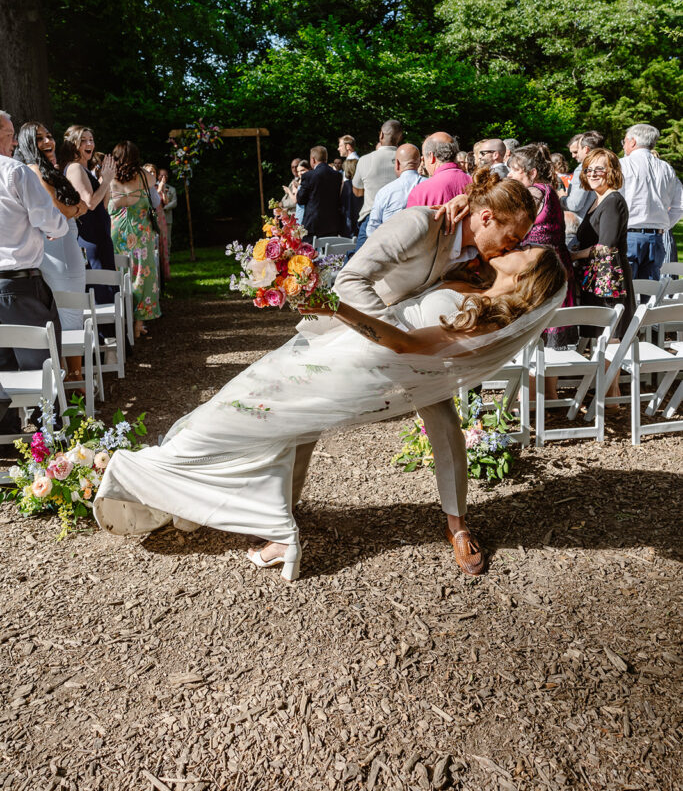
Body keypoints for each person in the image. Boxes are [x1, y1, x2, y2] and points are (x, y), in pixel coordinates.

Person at [94, 236, 565, 580]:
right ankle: (256, 519)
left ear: (526, 277)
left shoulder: (483, 319)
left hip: (353, 367)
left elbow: (403, 343)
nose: (520, 244)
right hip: (337, 353)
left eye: (526, 251)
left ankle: (143, 475)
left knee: (239, 415)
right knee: (251, 417)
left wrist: (336, 307)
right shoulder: (471, 280)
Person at [295, 170, 540, 574]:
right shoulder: (420, 223)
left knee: (444, 421)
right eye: (511, 237)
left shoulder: (477, 254)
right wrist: (395, 339)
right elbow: (351, 280)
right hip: (346, 334)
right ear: (485, 218)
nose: (512, 247)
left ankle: (457, 526)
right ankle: (284, 513)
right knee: (303, 419)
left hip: (411, 351)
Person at [14, 123, 87, 387]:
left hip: (63, 243)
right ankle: (75, 384)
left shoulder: (45, 169)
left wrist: (75, 208)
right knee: (70, 312)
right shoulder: (34, 170)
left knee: (69, 311)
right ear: (27, 144)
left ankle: (72, 381)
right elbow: (59, 211)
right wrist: (77, 208)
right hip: (59, 250)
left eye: (49, 136)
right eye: (39, 138)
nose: (48, 141)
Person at [0, 112, 68, 389]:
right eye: (9, 135)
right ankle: (47, 429)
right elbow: (49, 220)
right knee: (44, 369)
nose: (15, 142)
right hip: (20, 286)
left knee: (2, 375)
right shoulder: (15, 171)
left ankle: (9, 428)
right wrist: (56, 228)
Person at [507, 144, 577, 397]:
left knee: (535, 331)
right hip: (554, 266)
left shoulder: (534, 193)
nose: (510, 176)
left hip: (541, 270)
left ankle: (531, 397)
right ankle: (550, 394)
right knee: (549, 328)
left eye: (515, 171)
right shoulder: (549, 191)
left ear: (532, 172)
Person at [572, 149, 636, 398]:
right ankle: (607, 393)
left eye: (599, 168)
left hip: (608, 280)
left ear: (612, 171)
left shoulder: (613, 201)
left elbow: (607, 246)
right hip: (594, 277)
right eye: (589, 169)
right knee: (601, 335)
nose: (593, 174)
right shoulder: (596, 200)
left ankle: (610, 396)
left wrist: (575, 256)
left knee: (610, 336)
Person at [108, 141, 161, 338]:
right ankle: (138, 323)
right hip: (141, 235)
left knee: (120, 274)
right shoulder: (145, 176)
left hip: (118, 233)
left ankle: (122, 320)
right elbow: (154, 196)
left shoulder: (110, 178)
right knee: (142, 275)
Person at [60, 125, 117, 307]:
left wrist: (105, 180)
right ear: (73, 144)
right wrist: (106, 180)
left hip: (101, 234)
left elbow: (103, 204)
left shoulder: (85, 169)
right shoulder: (75, 168)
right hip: (91, 237)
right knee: (101, 289)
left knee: (109, 286)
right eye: (83, 140)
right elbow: (89, 203)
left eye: (91, 139)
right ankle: (103, 334)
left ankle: (112, 332)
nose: (89, 143)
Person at [619, 124, 683, 281]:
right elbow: (680, 204)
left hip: (628, 235)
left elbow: (613, 201)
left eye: (624, 141)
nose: (624, 145)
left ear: (632, 141)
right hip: (655, 238)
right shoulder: (666, 168)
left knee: (625, 293)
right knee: (650, 293)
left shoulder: (622, 165)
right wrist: (664, 225)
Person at [351, 120, 403, 254]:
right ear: (400, 138)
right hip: (400, 220)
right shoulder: (405, 160)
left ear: (381, 135)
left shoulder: (365, 160)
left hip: (371, 217)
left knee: (360, 263)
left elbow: (357, 192)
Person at [365, 144, 422, 236]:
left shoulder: (385, 192)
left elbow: (372, 228)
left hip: (390, 246)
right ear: (420, 162)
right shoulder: (432, 186)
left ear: (397, 164)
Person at [406, 132, 471, 208]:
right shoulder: (476, 184)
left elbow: (411, 219)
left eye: (424, 158)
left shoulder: (419, 192)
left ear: (431, 156)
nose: (423, 163)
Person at [296, 146, 342, 239]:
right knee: (330, 253)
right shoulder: (337, 175)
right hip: (332, 223)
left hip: (313, 223)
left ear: (313, 159)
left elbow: (300, 199)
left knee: (308, 252)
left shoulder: (308, 176)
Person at [561, 131, 604, 221]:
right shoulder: (609, 166)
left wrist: (562, 197)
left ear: (586, 149)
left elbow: (575, 204)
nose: (573, 156)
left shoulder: (583, 169)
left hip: (583, 224)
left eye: (577, 150)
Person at [143, 163, 170, 282]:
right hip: (150, 218)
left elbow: (165, 202)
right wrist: (159, 189)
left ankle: (164, 275)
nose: (152, 174)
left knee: (163, 244)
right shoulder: (144, 186)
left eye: (153, 172)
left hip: (160, 217)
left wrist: (162, 190)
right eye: (149, 172)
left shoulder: (158, 185)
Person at [157, 168, 178, 252]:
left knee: (167, 240)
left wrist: (164, 208)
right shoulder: (153, 187)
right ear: (158, 176)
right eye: (161, 175)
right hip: (156, 218)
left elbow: (174, 202)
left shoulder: (172, 189)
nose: (163, 177)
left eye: (165, 175)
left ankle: (167, 259)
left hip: (167, 218)